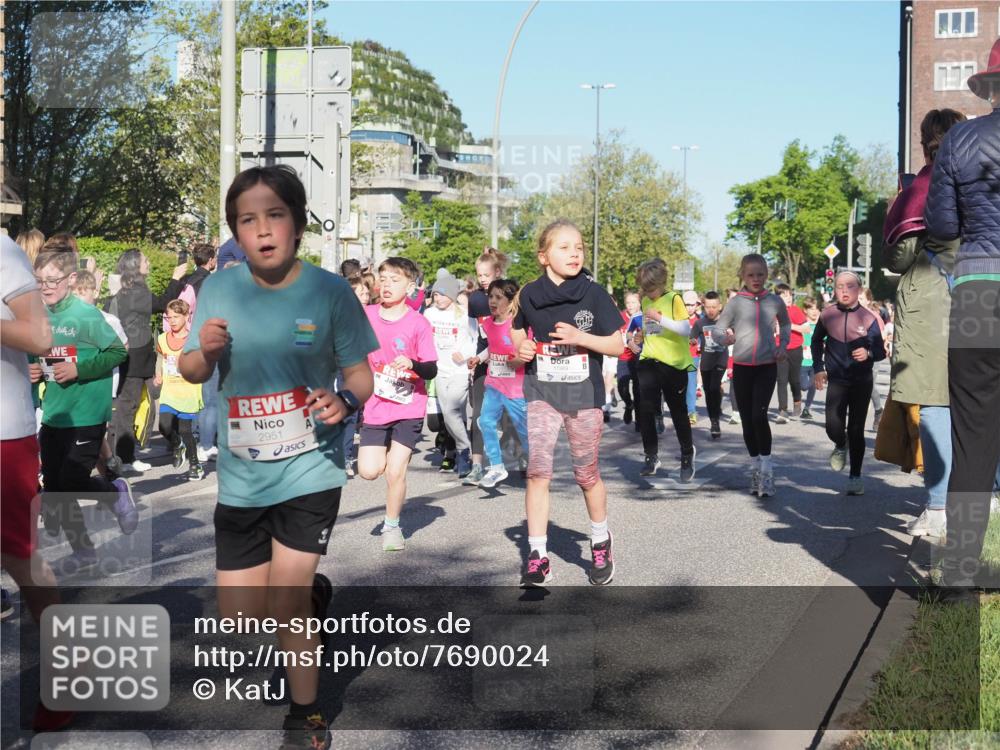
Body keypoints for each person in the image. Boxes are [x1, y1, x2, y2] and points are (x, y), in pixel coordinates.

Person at [179, 164, 377, 749]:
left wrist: (344, 401)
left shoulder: (330, 292)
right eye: (248, 219)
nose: (262, 229)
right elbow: (190, 369)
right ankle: (314, 600)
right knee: (241, 617)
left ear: (297, 224)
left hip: (310, 466)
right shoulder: (218, 289)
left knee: (286, 602)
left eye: (275, 215)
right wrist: (204, 352)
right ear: (235, 232)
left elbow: (360, 376)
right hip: (243, 475)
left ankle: (306, 715)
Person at [924, 38, 1000, 590]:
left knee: (972, 437)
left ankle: (960, 570)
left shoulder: (959, 140)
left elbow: (944, 227)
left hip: (978, 293)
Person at [511, 219, 625, 586]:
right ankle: (537, 556)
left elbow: (618, 345)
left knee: (585, 473)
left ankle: (600, 540)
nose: (575, 253)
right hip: (541, 390)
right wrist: (521, 346)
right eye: (564, 247)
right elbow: (516, 327)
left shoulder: (594, 293)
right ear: (543, 256)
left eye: (579, 247)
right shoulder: (529, 293)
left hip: (582, 394)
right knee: (538, 471)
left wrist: (581, 337)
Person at [28, 248, 137, 570]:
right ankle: (84, 550)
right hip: (55, 412)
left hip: (87, 412)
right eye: (39, 281)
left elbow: (118, 352)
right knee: (55, 487)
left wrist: (79, 369)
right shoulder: (39, 315)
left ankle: (114, 491)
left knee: (72, 479)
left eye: (53, 280)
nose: (46, 287)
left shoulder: (86, 315)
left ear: (71, 279)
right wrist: (34, 371)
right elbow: (39, 357)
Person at [884, 108, 964, 538]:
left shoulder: (921, 186)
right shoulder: (985, 178)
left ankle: (938, 508)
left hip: (931, 301)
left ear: (925, 142)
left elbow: (899, 256)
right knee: (983, 402)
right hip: (984, 293)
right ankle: (990, 496)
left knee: (935, 405)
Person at [357, 257, 437, 552]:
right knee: (369, 470)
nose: (387, 285)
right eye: (384, 279)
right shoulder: (366, 315)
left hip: (408, 405)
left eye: (395, 279)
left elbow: (431, 369)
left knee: (395, 471)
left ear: (410, 286)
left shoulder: (419, 323)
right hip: (377, 404)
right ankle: (388, 460)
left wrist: (413, 363)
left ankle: (392, 527)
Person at [715, 254, 790, 498]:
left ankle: (767, 469)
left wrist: (783, 345)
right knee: (747, 419)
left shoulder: (774, 301)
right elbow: (717, 329)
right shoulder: (736, 303)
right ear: (742, 276)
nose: (756, 279)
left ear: (766, 275)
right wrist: (725, 338)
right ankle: (756, 466)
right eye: (750, 275)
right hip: (743, 367)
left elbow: (785, 324)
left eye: (760, 274)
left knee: (759, 415)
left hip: (767, 366)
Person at [107, 249, 188, 473]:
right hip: (133, 358)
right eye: (145, 260)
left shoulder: (130, 290)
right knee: (128, 407)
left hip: (137, 357)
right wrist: (175, 279)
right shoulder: (135, 292)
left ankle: (122, 454)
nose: (149, 262)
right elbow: (163, 304)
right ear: (135, 265)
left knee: (135, 405)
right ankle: (123, 458)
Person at [811, 272, 886, 496]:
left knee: (856, 429)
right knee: (832, 426)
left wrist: (868, 353)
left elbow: (881, 351)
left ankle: (855, 476)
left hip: (861, 381)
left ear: (859, 290)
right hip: (837, 380)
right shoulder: (827, 314)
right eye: (840, 286)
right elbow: (816, 341)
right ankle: (840, 443)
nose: (844, 290)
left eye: (850, 286)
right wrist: (818, 368)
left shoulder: (869, 318)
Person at [633, 259, 696, 480]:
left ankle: (687, 454)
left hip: (674, 363)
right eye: (645, 289)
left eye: (651, 288)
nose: (648, 293)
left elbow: (685, 329)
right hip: (649, 360)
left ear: (662, 283)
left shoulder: (674, 299)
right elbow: (651, 330)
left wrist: (660, 318)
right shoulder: (645, 301)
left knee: (678, 412)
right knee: (645, 409)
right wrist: (640, 336)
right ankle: (651, 455)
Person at [73, 270, 128, 480]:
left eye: (83, 293)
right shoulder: (69, 320)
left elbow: (122, 348)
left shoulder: (107, 320)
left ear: (95, 293)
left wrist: (90, 366)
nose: (79, 299)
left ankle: (112, 479)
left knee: (93, 437)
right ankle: (112, 478)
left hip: (101, 389)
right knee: (90, 439)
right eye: (75, 294)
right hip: (75, 389)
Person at [474, 278, 529, 488]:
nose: (493, 301)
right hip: (494, 385)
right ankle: (496, 467)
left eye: (499, 297)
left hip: (516, 389)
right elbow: (492, 347)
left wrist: (517, 361)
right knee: (485, 421)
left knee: (524, 431)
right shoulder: (488, 324)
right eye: (491, 297)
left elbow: (527, 351)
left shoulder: (518, 325)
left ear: (511, 301)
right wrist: (479, 358)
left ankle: (536, 462)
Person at [423, 268, 476, 476]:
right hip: (439, 370)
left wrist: (465, 354)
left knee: (451, 411)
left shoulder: (463, 314)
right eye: (435, 294)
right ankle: (458, 451)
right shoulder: (429, 314)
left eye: (442, 294)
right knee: (450, 415)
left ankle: (464, 451)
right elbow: (423, 337)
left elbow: (476, 339)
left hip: (459, 371)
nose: (438, 298)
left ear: (452, 295)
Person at [464, 247, 508, 484]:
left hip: (508, 364)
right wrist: (475, 358)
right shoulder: (476, 299)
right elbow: (473, 333)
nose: (482, 279)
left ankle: (520, 456)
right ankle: (477, 465)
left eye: (486, 275)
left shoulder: (510, 295)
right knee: (478, 414)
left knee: (510, 413)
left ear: (497, 272)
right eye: (479, 274)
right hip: (483, 362)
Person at [155, 300, 204, 480]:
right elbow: (161, 357)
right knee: (164, 426)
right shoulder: (162, 338)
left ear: (186, 316)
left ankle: (195, 464)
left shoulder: (193, 340)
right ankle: (178, 445)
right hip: (169, 391)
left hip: (188, 391)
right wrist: (158, 373)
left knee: (185, 430)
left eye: (176, 317)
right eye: (169, 317)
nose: (172, 321)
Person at [690, 291, 727, 439]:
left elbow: (736, 334)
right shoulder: (700, 323)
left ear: (720, 306)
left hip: (720, 359)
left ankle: (715, 422)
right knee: (708, 391)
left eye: (714, 307)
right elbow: (692, 337)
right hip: (706, 361)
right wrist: (692, 340)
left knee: (713, 387)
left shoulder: (726, 321)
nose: (711, 310)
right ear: (703, 306)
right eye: (708, 307)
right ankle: (713, 418)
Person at [773, 283, 808, 423]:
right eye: (784, 296)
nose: (789, 298)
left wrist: (789, 326)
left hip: (795, 349)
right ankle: (783, 410)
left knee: (794, 380)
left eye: (790, 295)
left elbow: (806, 328)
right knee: (781, 380)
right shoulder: (772, 312)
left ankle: (797, 401)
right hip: (779, 349)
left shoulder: (795, 310)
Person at [616, 291, 642, 426]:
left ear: (639, 303)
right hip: (623, 357)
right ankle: (628, 404)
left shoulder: (644, 317)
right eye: (628, 303)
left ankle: (639, 420)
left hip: (639, 358)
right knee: (622, 387)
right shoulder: (619, 317)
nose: (630, 305)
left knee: (638, 390)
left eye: (633, 302)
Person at [799, 297, 820, 420]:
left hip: (815, 362)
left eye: (816, 308)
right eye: (811, 309)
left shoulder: (820, 326)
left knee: (812, 385)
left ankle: (806, 409)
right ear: (805, 310)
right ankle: (797, 395)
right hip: (802, 361)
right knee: (804, 386)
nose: (814, 311)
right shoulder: (802, 325)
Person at [682, 290, 702, 425]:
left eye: (692, 305)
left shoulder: (700, 321)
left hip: (693, 357)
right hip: (677, 357)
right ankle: (680, 410)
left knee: (690, 384)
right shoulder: (677, 319)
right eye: (686, 304)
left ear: (697, 305)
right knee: (677, 385)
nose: (689, 307)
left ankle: (691, 412)